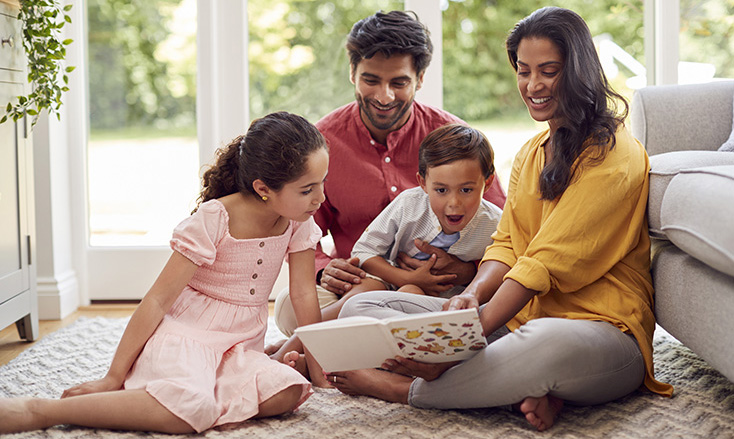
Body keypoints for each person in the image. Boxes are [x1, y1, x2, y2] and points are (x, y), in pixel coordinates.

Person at [325, 7, 673, 433]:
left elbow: (543, 261)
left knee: (543, 348)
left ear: (579, 70)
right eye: (523, 70)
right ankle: (520, 393)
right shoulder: (531, 152)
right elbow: (507, 244)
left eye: (549, 70)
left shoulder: (616, 155)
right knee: (363, 306)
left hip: (599, 332)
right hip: (519, 319)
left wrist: (463, 335)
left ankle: (405, 389)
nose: (533, 85)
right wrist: (470, 297)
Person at [0, 112, 329, 434]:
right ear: (263, 188)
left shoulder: (299, 220)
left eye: (322, 184)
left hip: (241, 342)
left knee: (288, 391)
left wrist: (319, 369)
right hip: (188, 333)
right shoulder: (215, 218)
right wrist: (113, 376)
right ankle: (44, 411)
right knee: (190, 407)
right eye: (307, 189)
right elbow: (157, 300)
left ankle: (189, 397)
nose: (320, 198)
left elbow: (302, 293)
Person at [272, 10, 507, 341]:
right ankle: (377, 341)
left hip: (448, 288)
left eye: (399, 82)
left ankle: (340, 343)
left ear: (420, 79)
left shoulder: (455, 141)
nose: (384, 97)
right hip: (361, 282)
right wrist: (325, 268)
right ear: (352, 72)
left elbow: (505, 235)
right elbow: (295, 228)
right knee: (287, 307)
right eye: (371, 80)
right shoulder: (321, 143)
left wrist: (466, 270)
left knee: (499, 307)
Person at [346, 123, 502, 301]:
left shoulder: (496, 224)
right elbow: (363, 251)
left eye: (466, 190)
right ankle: (315, 327)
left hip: (455, 297)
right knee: (366, 293)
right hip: (391, 279)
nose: (454, 203)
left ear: (487, 183)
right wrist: (407, 278)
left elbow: (506, 265)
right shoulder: (409, 204)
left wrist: (470, 271)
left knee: (411, 293)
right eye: (441, 190)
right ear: (423, 183)